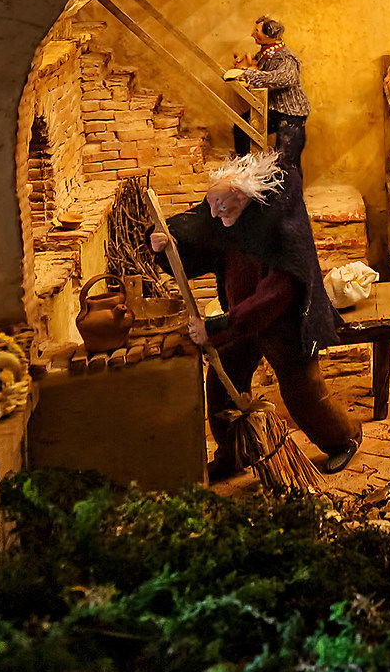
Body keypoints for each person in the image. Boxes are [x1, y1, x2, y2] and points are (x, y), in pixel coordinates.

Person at [153, 150, 360, 479]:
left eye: (220, 205)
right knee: (222, 385)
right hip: (242, 320)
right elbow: (198, 236)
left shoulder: (282, 227)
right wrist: (168, 245)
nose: (213, 213)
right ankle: (231, 454)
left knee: (302, 393)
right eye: (211, 205)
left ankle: (342, 439)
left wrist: (218, 326)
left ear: (241, 196)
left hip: (284, 324)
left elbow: (274, 296)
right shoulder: (226, 218)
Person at [226, 16, 310, 173]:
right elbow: (259, 65)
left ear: (270, 35)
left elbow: (284, 78)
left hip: (292, 114)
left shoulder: (285, 56)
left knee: (286, 162)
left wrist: (249, 74)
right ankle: (247, 174)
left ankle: (290, 197)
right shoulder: (267, 53)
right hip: (275, 110)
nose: (252, 34)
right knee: (242, 128)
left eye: (257, 31)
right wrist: (243, 64)